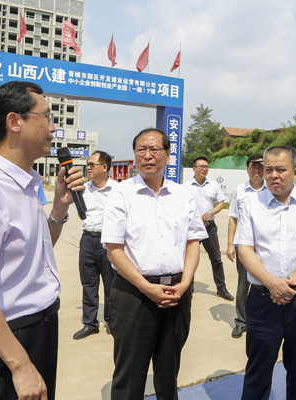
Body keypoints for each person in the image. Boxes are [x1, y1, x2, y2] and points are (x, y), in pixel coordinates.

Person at [0, 81, 84, 400]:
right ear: (14, 121)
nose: (53, 127)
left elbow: (36, 251)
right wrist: (20, 365)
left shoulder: (26, 184)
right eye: (46, 117)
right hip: (10, 336)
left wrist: (59, 208)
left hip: (42, 324)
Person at [102, 128, 207, 400]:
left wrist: (185, 283)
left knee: (169, 373)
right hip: (133, 294)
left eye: (154, 149)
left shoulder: (183, 195)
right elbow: (114, 251)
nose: (147, 155)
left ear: (168, 155)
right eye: (141, 149)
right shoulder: (121, 193)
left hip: (176, 293)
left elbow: (193, 242)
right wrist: (146, 288)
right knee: (129, 377)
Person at [235, 145, 296, 400]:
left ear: (295, 172)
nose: (273, 175)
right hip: (263, 299)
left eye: (280, 169)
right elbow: (245, 250)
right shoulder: (251, 204)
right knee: (257, 370)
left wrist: (290, 285)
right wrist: (272, 284)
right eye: (268, 169)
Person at [73, 150, 118, 340]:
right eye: (88, 165)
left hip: (109, 241)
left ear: (104, 167)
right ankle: (90, 323)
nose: (88, 168)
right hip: (87, 241)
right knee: (88, 283)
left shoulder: (118, 190)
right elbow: (79, 212)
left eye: (92, 165)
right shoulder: (82, 189)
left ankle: (111, 321)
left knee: (111, 284)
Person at [226, 154, 266, 338]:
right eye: (253, 167)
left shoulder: (271, 189)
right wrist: (230, 245)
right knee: (243, 286)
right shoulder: (239, 190)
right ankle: (241, 322)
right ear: (248, 169)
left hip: (265, 246)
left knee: (264, 284)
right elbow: (233, 218)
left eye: (260, 167)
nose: (257, 170)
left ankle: (260, 320)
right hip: (244, 246)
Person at [183, 156, 234, 300]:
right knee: (189, 259)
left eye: (206, 166)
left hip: (210, 228)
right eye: (201, 166)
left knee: (216, 258)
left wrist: (211, 212)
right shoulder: (185, 187)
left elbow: (221, 203)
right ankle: (188, 288)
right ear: (194, 169)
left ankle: (221, 288)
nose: (204, 169)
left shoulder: (213, 185)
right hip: (192, 228)